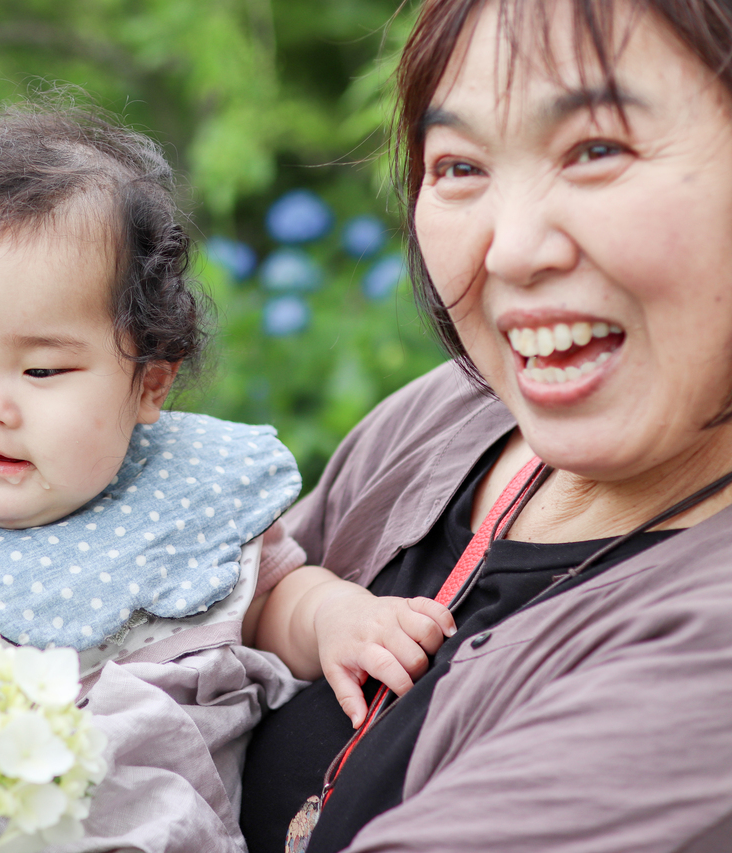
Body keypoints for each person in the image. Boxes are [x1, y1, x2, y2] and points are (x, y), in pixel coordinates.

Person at [0, 101, 458, 853]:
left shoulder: (189, 502)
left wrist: (337, 620)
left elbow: (274, 599)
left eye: (41, 369)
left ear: (150, 383)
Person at [240, 0, 732, 850]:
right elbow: (208, 619)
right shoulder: (448, 420)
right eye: (460, 166)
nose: (508, 251)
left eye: (597, 150)